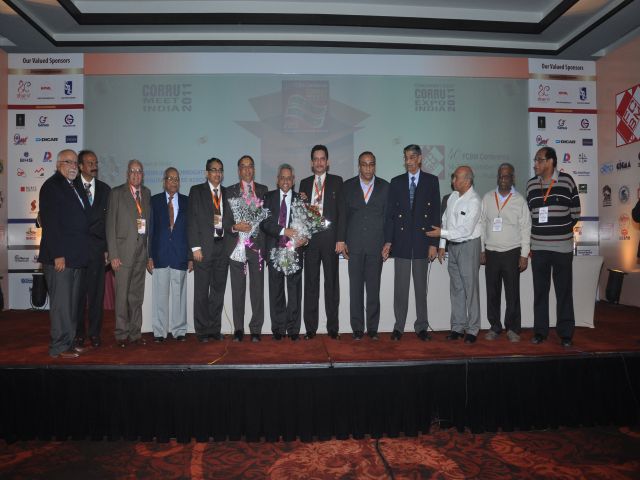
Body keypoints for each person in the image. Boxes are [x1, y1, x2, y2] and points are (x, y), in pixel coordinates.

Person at [383, 144, 441, 341]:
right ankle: (399, 327)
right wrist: (388, 241)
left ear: (420, 158)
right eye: (406, 157)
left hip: (423, 243)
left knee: (420, 289)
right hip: (401, 243)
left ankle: (421, 326)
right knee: (400, 289)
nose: (408, 161)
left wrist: (434, 243)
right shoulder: (396, 182)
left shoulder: (431, 181)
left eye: (412, 157)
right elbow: (390, 216)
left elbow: (435, 213)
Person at [527, 146, 581, 347]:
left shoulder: (567, 181)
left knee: (564, 292)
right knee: (540, 292)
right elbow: (530, 214)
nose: (535, 164)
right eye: (535, 160)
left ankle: (566, 334)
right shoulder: (531, 185)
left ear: (550, 162)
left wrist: (560, 231)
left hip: (562, 248)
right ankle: (540, 332)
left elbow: (575, 213)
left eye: (539, 160)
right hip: (538, 248)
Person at [39, 149, 90, 358]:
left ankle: (69, 342)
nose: (73, 166)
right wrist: (58, 254)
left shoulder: (75, 186)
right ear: (59, 163)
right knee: (61, 305)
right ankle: (58, 346)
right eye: (68, 162)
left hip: (76, 257)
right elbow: (50, 223)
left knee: (72, 305)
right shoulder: (51, 186)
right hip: (60, 259)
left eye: (75, 162)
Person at [428, 166, 482, 344]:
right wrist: (442, 245)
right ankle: (458, 327)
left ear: (467, 180)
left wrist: (442, 234)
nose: (453, 181)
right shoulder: (452, 196)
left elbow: (466, 230)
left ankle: (473, 329)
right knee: (456, 288)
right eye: (453, 177)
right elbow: (445, 220)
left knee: (470, 289)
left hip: (468, 246)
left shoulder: (474, 200)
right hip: (453, 247)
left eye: (456, 177)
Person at [479, 163, 531, 343]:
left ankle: (513, 328)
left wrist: (524, 254)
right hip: (491, 252)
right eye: (500, 176)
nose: (503, 180)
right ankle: (495, 326)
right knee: (492, 293)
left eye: (506, 176)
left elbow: (526, 228)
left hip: (512, 252)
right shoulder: (487, 198)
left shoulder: (519, 200)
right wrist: (482, 249)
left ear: (512, 178)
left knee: (512, 293)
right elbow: (482, 224)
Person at [299, 145, 346, 339]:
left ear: (327, 162)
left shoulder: (337, 181)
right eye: (316, 159)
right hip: (310, 242)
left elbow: (342, 212)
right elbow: (300, 214)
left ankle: (333, 328)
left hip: (330, 241)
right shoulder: (304, 183)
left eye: (322, 159)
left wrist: (341, 238)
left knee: (331, 285)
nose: (319, 162)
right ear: (311, 163)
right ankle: (310, 329)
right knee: (310, 285)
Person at [342, 151, 389, 340]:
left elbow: (389, 218)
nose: (368, 168)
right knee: (355, 290)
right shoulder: (348, 186)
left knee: (373, 290)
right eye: (364, 164)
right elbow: (343, 216)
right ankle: (357, 329)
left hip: (376, 246)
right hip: (354, 246)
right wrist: (343, 240)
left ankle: (373, 329)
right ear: (359, 166)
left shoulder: (385, 187)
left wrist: (388, 242)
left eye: (371, 164)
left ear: (375, 165)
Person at [106, 159, 152, 348]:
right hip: (122, 254)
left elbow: (148, 225)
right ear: (127, 174)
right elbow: (110, 226)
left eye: (139, 171)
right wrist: (113, 254)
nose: (136, 174)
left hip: (141, 253)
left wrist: (148, 254)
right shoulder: (117, 193)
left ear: (143, 174)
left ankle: (135, 333)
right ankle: (121, 334)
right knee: (122, 296)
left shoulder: (147, 193)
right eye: (132, 171)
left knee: (136, 297)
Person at [187, 158, 233, 342]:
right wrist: (195, 248)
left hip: (223, 247)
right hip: (203, 249)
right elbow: (191, 220)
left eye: (220, 170)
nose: (217, 173)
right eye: (213, 170)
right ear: (207, 173)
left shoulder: (228, 193)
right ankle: (202, 331)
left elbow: (230, 221)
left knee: (217, 291)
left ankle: (214, 328)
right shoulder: (196, 191)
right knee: (201, 292)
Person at [224, 155, 269, 342]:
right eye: (243, 166)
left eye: (250, 166)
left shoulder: (264, 190)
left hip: (257, 248)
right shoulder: (229, 191)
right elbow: (225, 221)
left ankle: (256, 329)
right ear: (238, 170)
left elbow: (268, 220)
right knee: (238, 290)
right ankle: (239, 329)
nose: (247, 170)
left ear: (254, 169)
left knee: (257, 290)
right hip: (237, 247)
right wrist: (235, 227)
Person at [261, 164, 308, 341]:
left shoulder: (300, 199)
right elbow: (264, 223)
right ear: (277, 179)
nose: (286, 181)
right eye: (283, 178)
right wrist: (283, 231)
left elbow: (307, 226)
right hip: (275, 251)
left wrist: (305, 239)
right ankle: (279, 329)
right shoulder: (268, 198)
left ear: (293, 180)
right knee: (276, 292)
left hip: (294, 253)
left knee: (294, 293)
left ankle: (294, 329)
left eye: (289, 178)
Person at [148, 167, 192, 343]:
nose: (174, 182)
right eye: (170, 178)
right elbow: (150, 230)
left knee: (179, 296)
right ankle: (159, 332)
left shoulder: (187, 201)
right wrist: (149, 255)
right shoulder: (154, 201)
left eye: (177, 179)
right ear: (164, 181)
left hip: (180, 255)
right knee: (160, 296)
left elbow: (190, 231)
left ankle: (179, 330)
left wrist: (190, 256)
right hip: (159, 254)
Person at [73, 150, 111, 348]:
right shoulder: (71, 187)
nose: (93, 166)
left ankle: (94, 333)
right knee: (78, 295)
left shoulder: (105, 189)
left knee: (96, 295)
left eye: (95, 162)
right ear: (80, 166)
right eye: (89, 163)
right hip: (77, 250)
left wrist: (108, 248)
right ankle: (79, 333)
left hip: (97, 250)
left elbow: (109, 222)